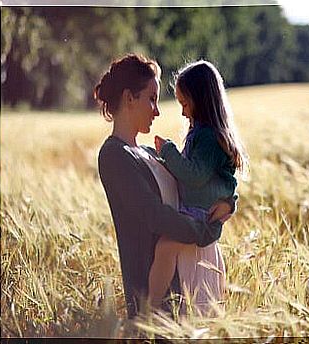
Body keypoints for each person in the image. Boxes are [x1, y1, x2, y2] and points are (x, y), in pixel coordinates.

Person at [94, 54, 236, 319]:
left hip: (194, 271)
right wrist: (205, 229)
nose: (157, 111)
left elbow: (201, 182)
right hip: (157, 294)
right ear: (129, 98)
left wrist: (229, 201)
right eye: (152, 99)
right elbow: (154, 216)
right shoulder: (114, 155)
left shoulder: (150, 152)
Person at [148, 60, 247, 314]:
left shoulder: (208, 137)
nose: (183, 112)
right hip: (199, 212)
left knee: (165, 248)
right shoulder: (204, 133)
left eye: (184, 104)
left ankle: (149, 309)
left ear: (201, 100)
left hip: (200, 215)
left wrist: (169, 151)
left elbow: (193, 176)